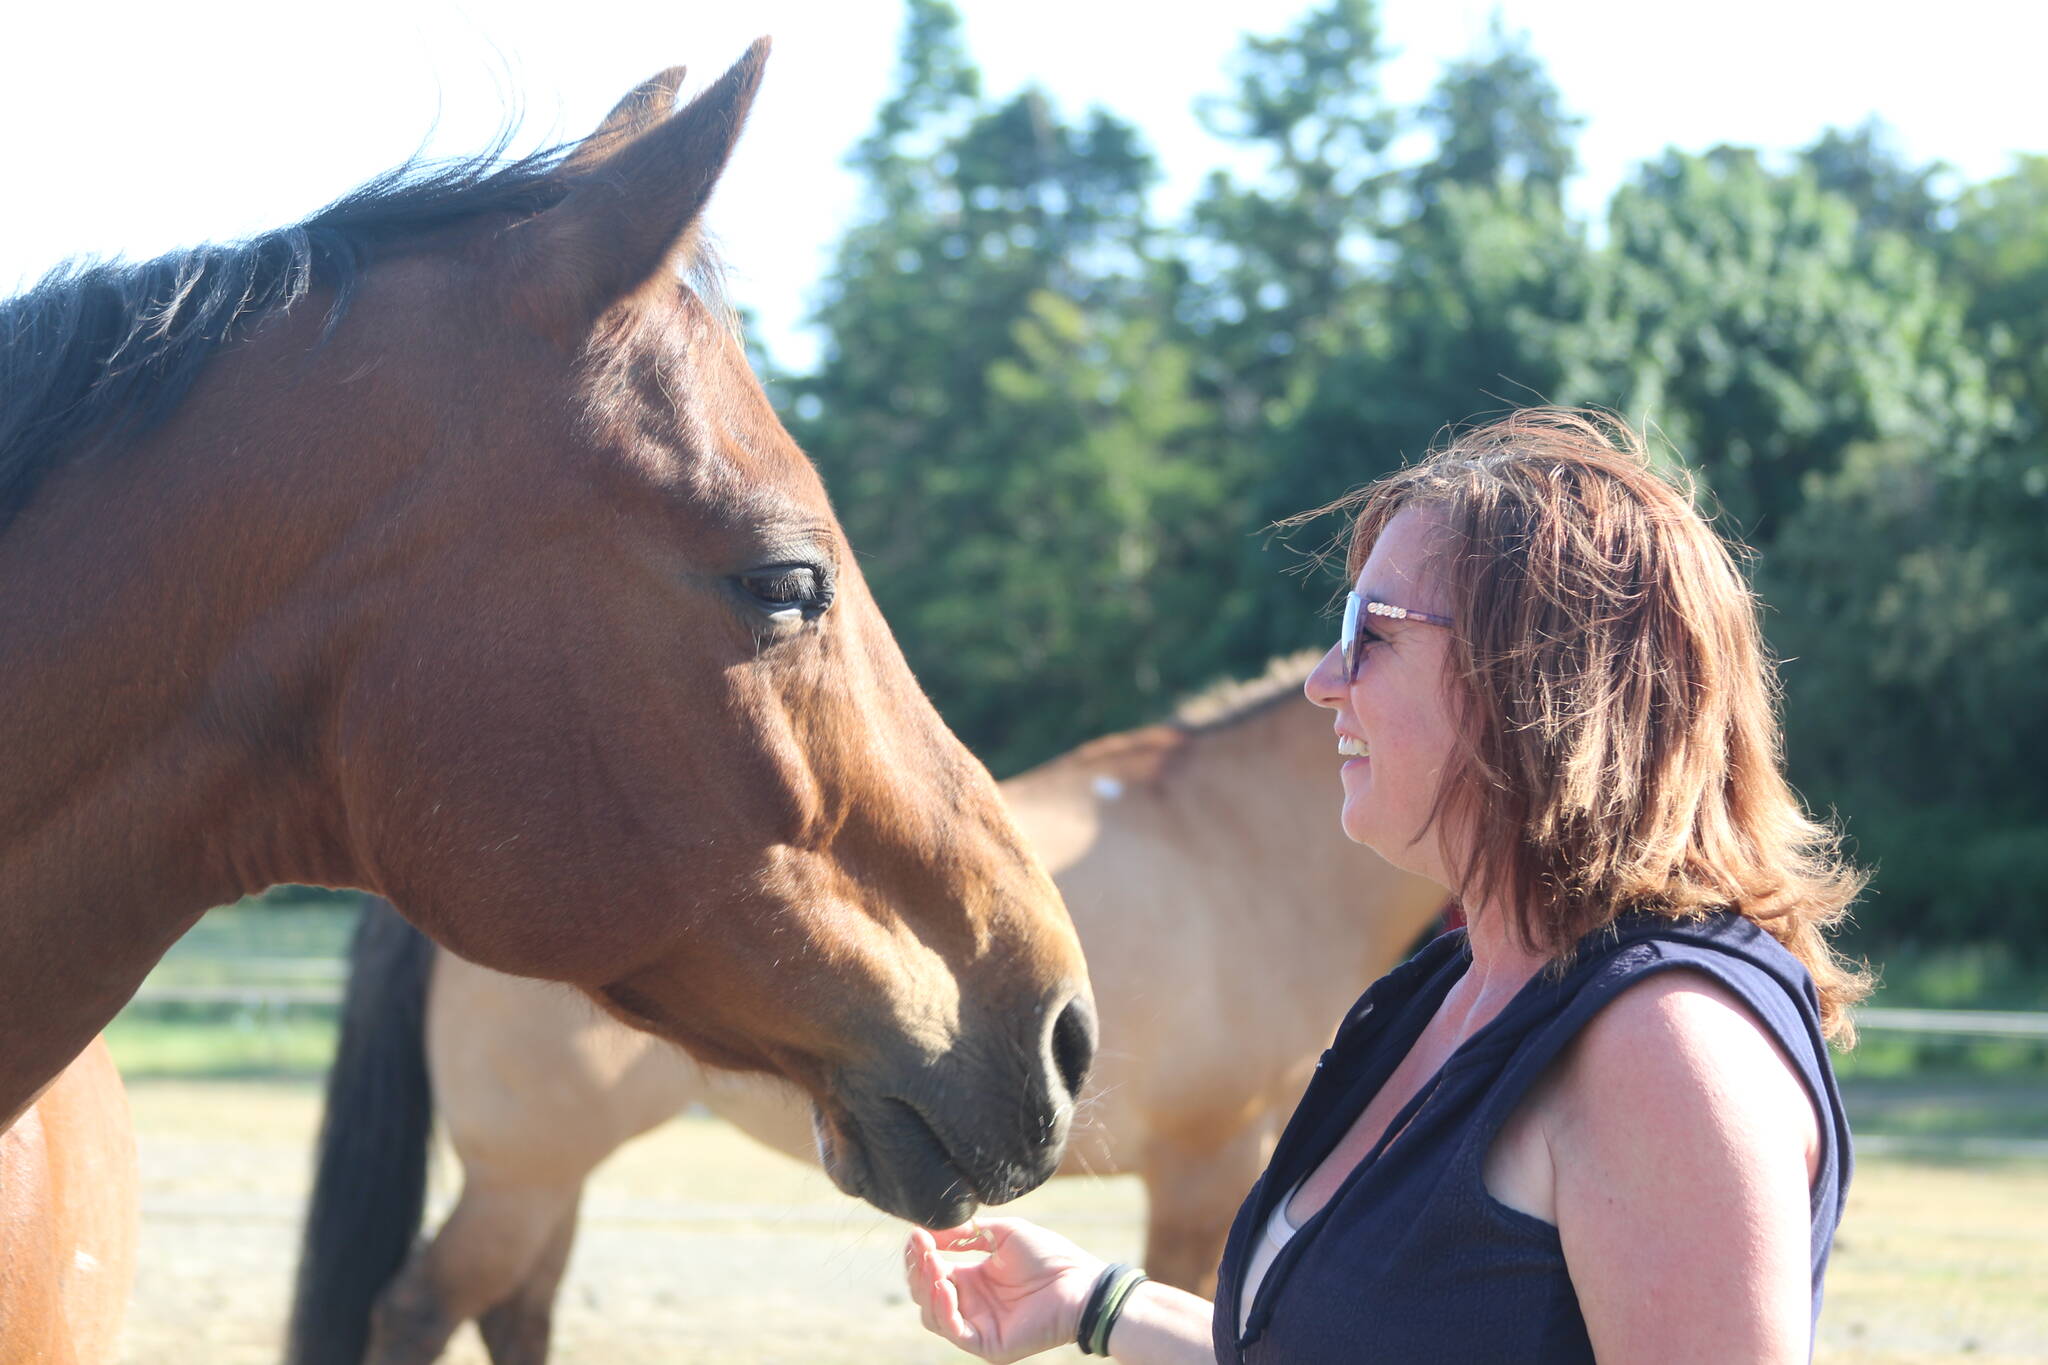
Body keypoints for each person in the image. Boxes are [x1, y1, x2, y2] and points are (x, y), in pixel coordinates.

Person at [903, 408, 1867, 1364]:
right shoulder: (1449, 990)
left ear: (1536, 681)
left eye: (1374, 630)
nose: (1325, 678)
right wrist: (1098, 1301)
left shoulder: (1665, 1049)